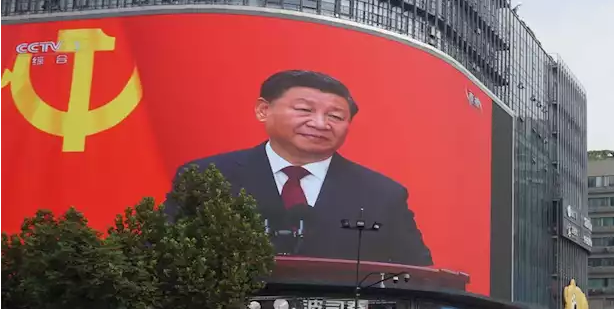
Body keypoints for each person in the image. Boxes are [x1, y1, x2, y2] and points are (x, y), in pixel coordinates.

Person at [172, 70, 431, 266]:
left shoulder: (383, 195)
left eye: (335, 116)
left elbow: (420, 276)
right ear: (263, 110)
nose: (320, 123)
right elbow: (163, 257)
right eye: (304, 109)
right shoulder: (206, 177)